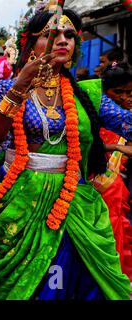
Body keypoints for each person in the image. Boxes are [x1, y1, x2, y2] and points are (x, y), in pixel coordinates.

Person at [0, 5, 131, 299]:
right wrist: (20, 87)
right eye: (52, 34)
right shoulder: (6, 88)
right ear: (31, 43)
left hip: (75, 205)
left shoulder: (88, 94)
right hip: (19, 203)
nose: (62, 40)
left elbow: (129, 124)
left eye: (69, 35)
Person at [92, 62, 132, 281]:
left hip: (118, 194)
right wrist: (116, 147)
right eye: (118, 92)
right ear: (105, 93)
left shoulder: (127, 119)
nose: (124, 97)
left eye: (129, 92)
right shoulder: (98, 113)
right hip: (96, 193)